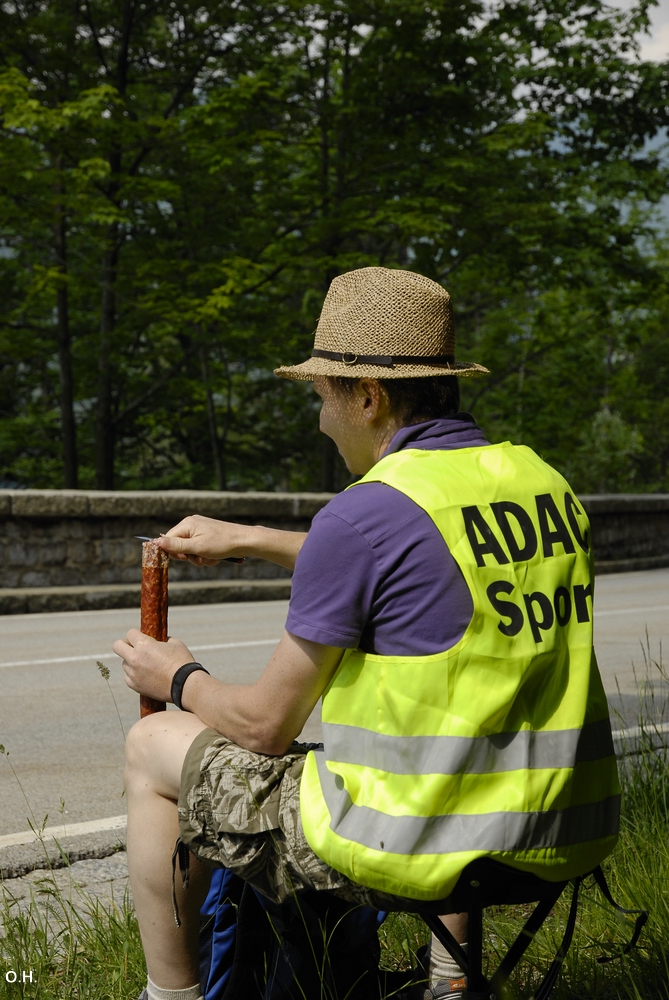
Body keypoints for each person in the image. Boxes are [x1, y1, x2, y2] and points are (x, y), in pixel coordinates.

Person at [115, 267, 620, 1000]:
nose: (320, 421)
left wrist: (177, 677)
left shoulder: (365, 514)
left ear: (369, 396)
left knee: (151, 748)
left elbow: (260, 725)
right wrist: (252, 538)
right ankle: (449, 981)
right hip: (553, 828)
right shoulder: (539, 481)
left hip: (412, 842)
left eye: (322, 399)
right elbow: (422, 565)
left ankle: (171, 996)